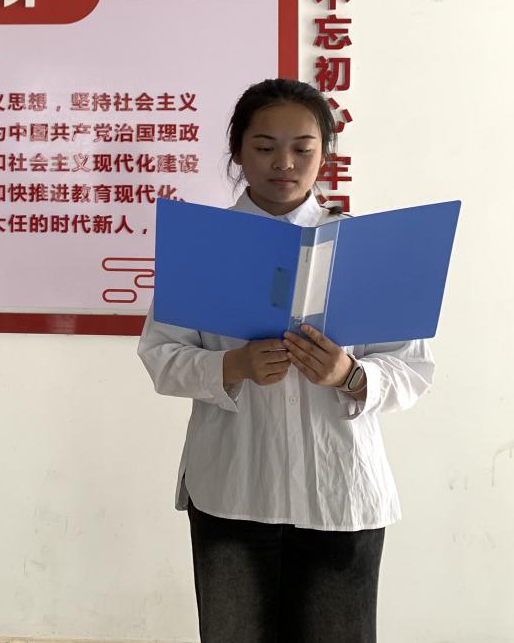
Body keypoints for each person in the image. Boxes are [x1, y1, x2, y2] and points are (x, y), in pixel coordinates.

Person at [137, 78, 433, 643]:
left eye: (303, 147)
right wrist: (233, 366)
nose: (285, 163)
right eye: (265, 146)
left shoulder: (365, 248)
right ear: (237, 151)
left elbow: (413, 366)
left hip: (340, 493)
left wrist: (350, 375)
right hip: (233, 488)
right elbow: (160, 355)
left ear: (325, 153)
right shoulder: (204, 246)